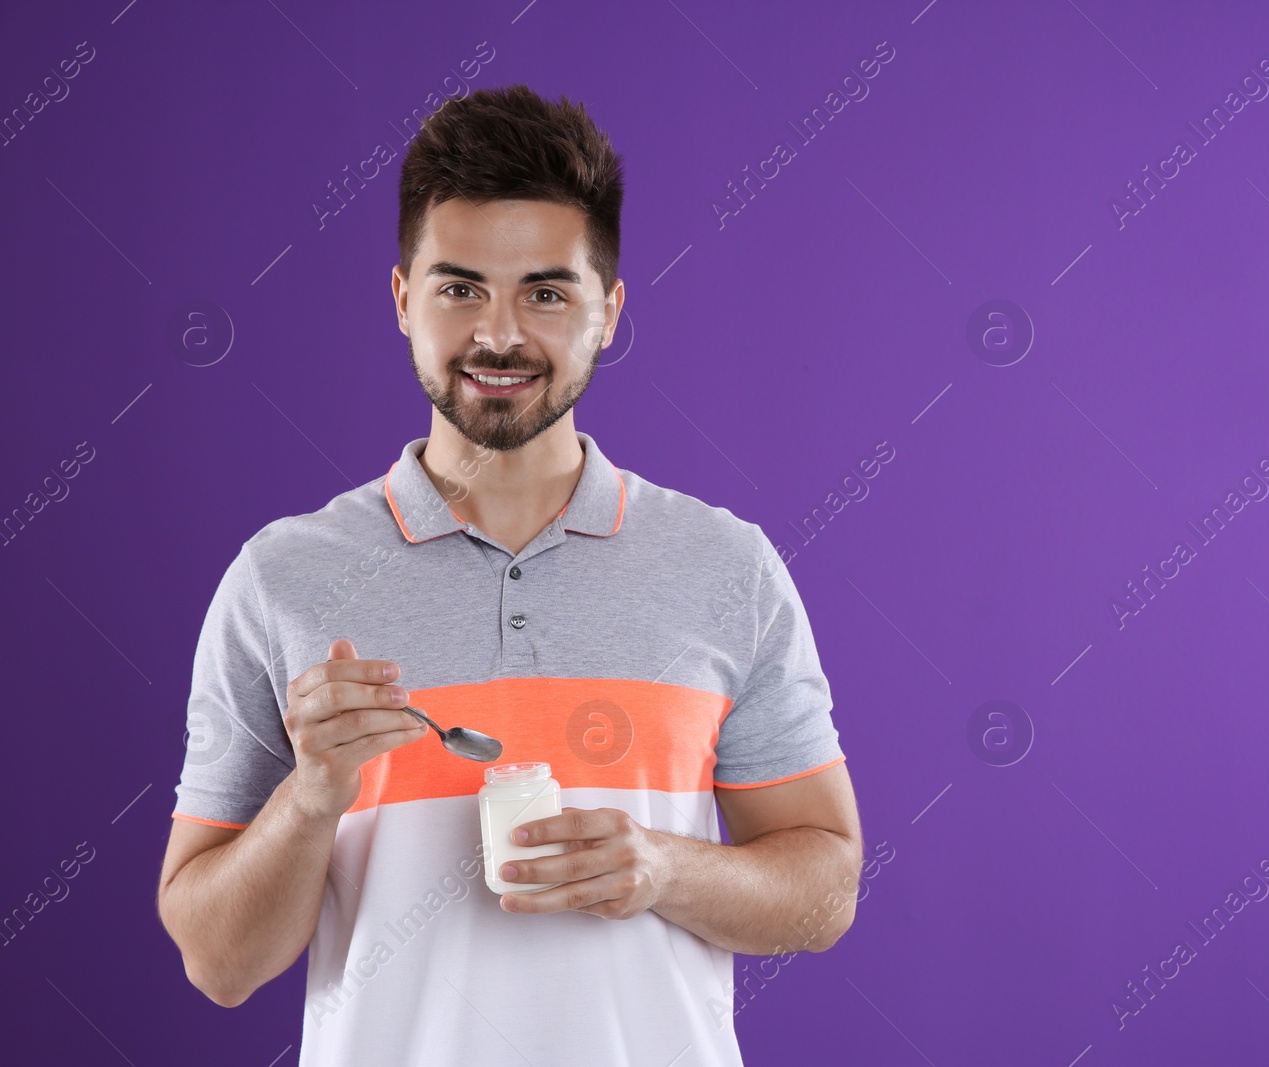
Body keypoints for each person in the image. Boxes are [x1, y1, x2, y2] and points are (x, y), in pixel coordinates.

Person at [156, 84, 861, 1066]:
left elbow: (825, 888)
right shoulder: (281, 581)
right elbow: (219, 960)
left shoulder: (725, 566)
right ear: (403, 299)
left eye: (545, 290)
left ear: (607, 311)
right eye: (458, 288)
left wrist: (661, 866)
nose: (498, 335)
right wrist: (313, 792)